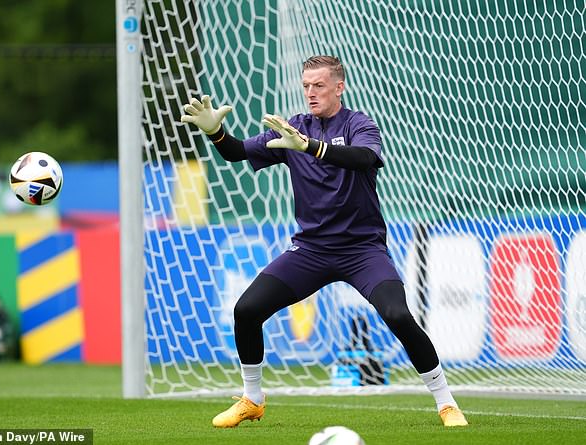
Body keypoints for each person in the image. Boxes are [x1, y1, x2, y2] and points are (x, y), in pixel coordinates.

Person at [180, 55, 468, 428]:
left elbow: (366, 157)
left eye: (318, 85)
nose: (310, 93)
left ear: (338, 87)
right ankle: (252, 398)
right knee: (246, 311)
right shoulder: (292, 128)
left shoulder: (358, 123)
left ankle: (446, 404)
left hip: (362, 251)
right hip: (311, 251)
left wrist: (311, 148)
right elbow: (235, 152)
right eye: (305, 86)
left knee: (398, 315)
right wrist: (216, 133)